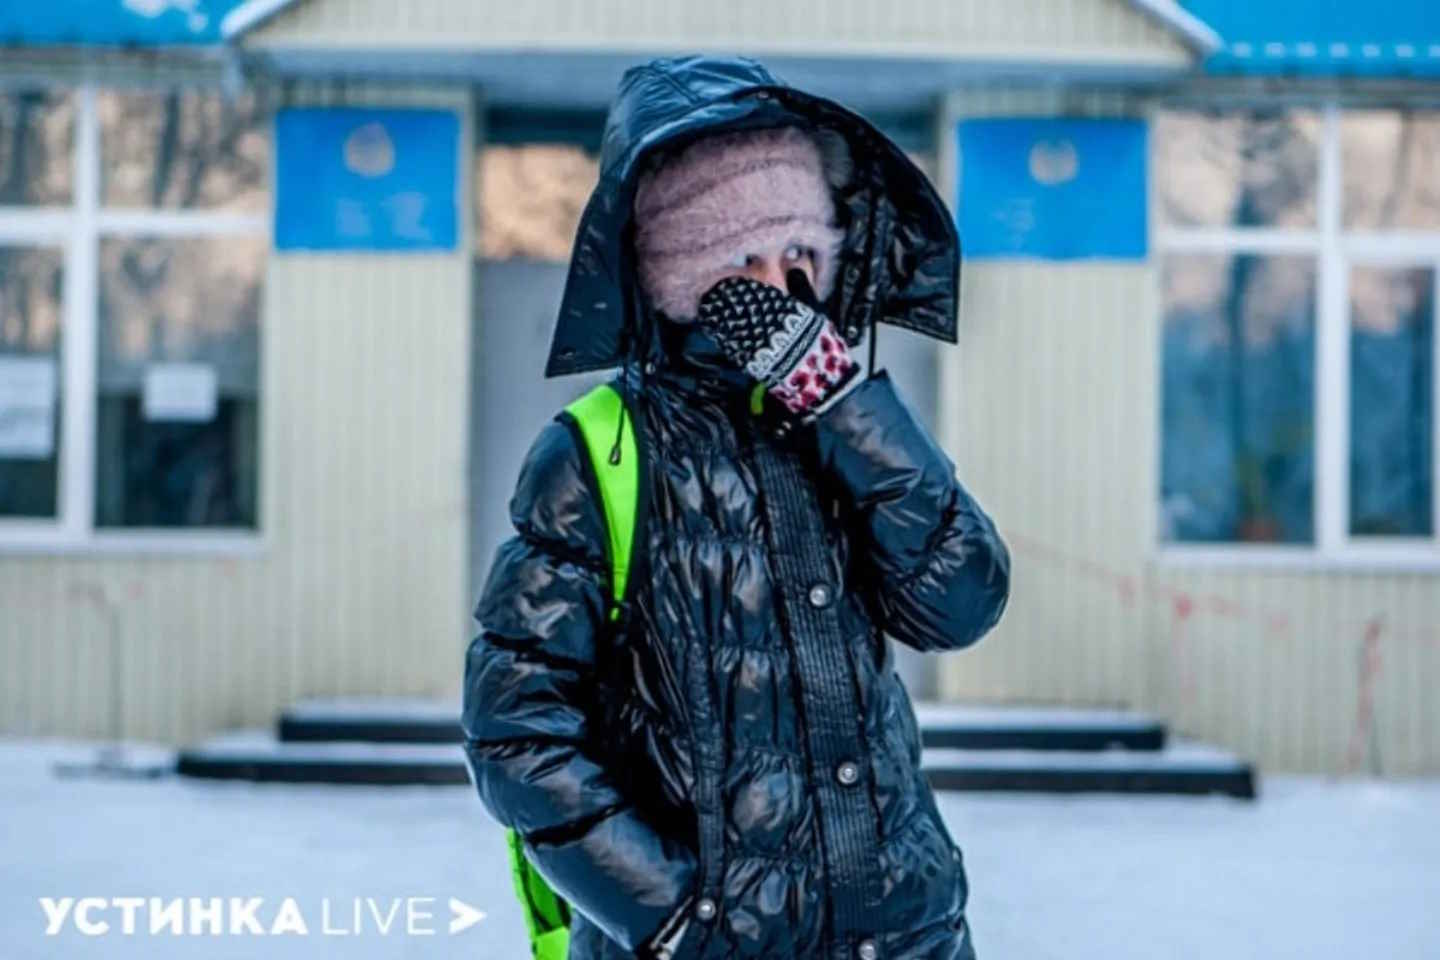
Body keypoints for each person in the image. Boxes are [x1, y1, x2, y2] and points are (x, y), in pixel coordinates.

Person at [462, 55, 1010, 960]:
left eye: (800, 256)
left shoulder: (838, 426)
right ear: (679, 271)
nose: (781, 290)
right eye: (744, 259)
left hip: (898, 933)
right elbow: (515, 728)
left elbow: (961, 602)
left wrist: (846, 407)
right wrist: (671, 914)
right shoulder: (600, 450)